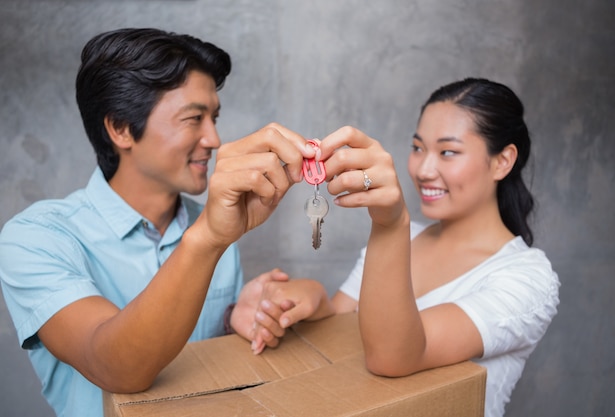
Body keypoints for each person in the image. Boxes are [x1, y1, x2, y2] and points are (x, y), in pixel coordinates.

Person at [0, 27, 333, 417]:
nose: (214, 138)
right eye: (194, 118)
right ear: (120, 128)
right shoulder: (35, 238)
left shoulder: (214, 225)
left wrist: (235, 318)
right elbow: (116, 366)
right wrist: (208, 237)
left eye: (215, 117)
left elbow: (207, 356)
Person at [253, 78, 560, 417]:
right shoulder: (407, 236)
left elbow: (392, 355)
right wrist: (313, 298)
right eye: (418, 148)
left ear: (502, 161)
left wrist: (390, 224)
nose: (424, 170)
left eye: (448, 152)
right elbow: (343, 324)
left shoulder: (528, 277)